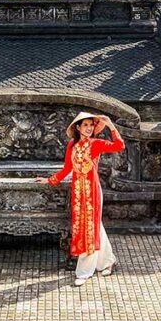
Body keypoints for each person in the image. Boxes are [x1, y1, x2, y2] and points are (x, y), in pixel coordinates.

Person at [37, 112, 125, 287]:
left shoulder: (96, 144)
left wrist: (110, 125)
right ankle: (108, 262)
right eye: (85, 125)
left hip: (92, 191)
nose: (89, 128)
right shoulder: (72, 145)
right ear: (77, 127)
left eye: (91, 125)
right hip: (78, 193)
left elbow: (119, 145)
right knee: (94, 227)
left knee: (89, 228)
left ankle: (84, 272)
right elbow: (67, 169)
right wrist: (49, 180)